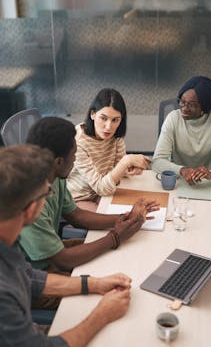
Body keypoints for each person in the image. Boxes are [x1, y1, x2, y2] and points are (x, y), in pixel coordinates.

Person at [0, 144, 132, 347]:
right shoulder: (4, 297)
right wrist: (102, 315)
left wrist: (93, 284)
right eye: (46, 193)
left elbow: (29, 277)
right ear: (31, 209)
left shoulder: (8, 243)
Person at [19, 116, 158, 272]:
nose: (74, 160)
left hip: (53, 255)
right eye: (73, 155)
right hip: (32, 274)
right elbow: (63, 261)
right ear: (58, 161)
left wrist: (127, 218)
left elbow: (76, 215)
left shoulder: (54, 175)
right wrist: (115, 237)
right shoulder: (29, 201)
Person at [67, 88, 150, 211]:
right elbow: (101, 187)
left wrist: (129, 168)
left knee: (137, 208)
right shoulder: (78, 141)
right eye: (103, 118)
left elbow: (116, 171)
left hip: (101, 193)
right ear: (92, 114)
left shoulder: (116, 137)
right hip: (78, 198)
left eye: (115, 120)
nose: (108, 127)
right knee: (116, 220)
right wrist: (126, 161)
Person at [152, 76, 211, 185]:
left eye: (192, 105)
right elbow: (157, 161)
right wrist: (182, 170)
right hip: (180, 182)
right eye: (182, 102)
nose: (184, 108)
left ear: (205, 106)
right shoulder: (173, 118)